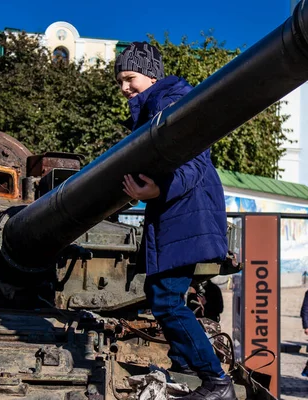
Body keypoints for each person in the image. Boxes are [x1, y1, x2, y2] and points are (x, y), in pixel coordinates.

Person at [116, 42, 234, 400]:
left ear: (152, 74)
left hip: (185, 213)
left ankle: (216, 381)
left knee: (166, 298)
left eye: (129, 78)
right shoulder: (156, 106)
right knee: (162, 294)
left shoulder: (168, 104)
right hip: (177, 215)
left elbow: (194, 162)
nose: (124, 87)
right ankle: (185, 367)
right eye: (120, 80)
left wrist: (159, 190)